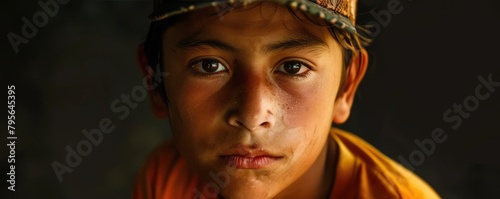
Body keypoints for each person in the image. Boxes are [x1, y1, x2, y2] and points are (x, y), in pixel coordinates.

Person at [133, 0, 441, 198]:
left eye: (293, 67)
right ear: (155, 82)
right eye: (209, 65)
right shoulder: (167, 178)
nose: (253, 115)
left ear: (346, 86)